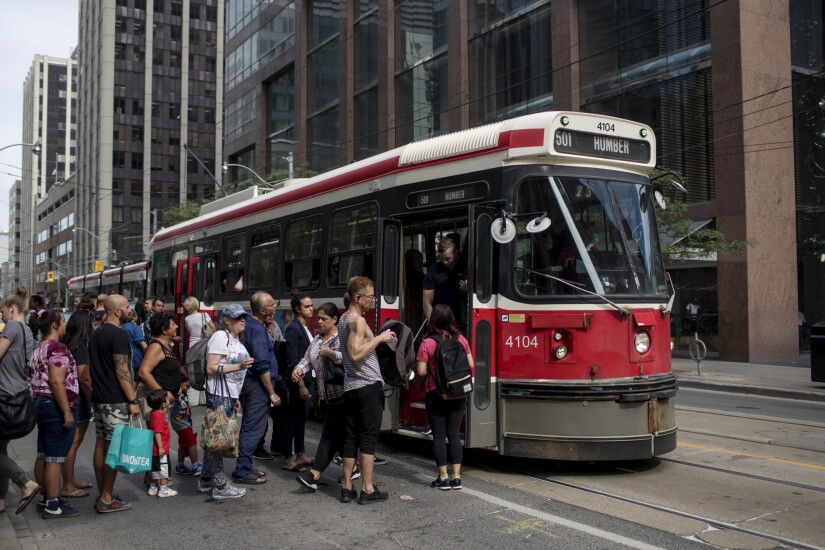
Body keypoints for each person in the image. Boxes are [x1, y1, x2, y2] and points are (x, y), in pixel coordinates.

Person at [339, 276, 395, 504]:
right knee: (368, 438)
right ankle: (368, 489)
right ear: (357, 297)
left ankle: (346, 488)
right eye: (370, 297)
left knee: (350, 437)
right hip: (367, 386)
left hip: (351, 386)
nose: (372, 300)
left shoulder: (344, 319)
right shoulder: (358, 321)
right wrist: (379, 338)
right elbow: (354, 353)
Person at [197, 304, 253, 500]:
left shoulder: (235, 339)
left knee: (216, 436)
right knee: (219, 439)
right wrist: (239, 366)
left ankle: (206, 479)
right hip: (218, 394)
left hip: (228, 395)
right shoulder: (221, 336)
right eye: (237, 317)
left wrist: (235, 397)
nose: (242, 320)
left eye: (243, 317)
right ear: (226, 321)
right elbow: (211, 368)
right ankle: (220, 485)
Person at [89, 294, 139, 514]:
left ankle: (103, 493)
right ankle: (107, 498)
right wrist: (133, 400)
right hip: (115, 399)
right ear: (117, 311)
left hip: (99, 397)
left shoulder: (97, 333)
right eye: (127, 307)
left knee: (101, 444)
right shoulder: (119, 334)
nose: (129, 310)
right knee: (115, 449)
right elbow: (122, 370)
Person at [415, 304, 474, 491]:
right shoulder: (461, 339)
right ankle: (457, 478)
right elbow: (471, 364)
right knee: (454, 435)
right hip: (458, 393)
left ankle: (443, 478)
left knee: (439, 437)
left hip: (436, 393)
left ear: (433, 320)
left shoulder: (427, 342)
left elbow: (421, 371)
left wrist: (433, 370)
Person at [29, 309, 80, 518]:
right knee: (55, 457)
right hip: (55, 405)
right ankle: (53, 503)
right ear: (55, 325)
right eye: (63, 321)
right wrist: (67, 411)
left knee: (44, 453)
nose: (66, 325)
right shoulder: (57, 348)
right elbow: (57, 381)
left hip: (40, 403)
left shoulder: (39, 348)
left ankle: (45, 497)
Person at [294, 302, 349, 491]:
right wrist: (299, 370)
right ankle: (353, 468)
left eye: (324, 319)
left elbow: (351, 359)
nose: (319, 322)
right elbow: (307, 359)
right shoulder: (317, 339)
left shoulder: (341, 338)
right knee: (338, 436)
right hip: (326, 397)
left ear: (334, 319)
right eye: (318, 318)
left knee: (329, 436)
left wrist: (331, 354)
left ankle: (314, 475)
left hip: (343, 395)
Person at [232, 292, 280, 485]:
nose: (275, 307)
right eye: (272, 304)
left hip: (250, 383)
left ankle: (245, 465)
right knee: (254, 428)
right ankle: (243, 471)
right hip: (257, 386)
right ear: (262, 310)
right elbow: (261, 364)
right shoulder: (257, 330)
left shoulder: (250, 324)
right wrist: (271, 392)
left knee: (249, 426)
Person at [0, 289, 41, 515]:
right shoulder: (26, 330)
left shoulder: (13, 326)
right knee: (0, 448)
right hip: (17, 394)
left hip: (4, 395)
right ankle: (1, 499)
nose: (2, 317)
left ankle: (25, 482)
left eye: (2, 312)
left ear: (11, 308)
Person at [59, 309, 95, 499]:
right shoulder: (81, 347)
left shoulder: (66, 343)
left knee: (71, 442)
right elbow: (83, 377)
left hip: (68, 395)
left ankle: (71, 479)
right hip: (78, 396)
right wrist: (93, 397)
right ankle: (68, 484)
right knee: (73, 442)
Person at [282, 291, 315, 472]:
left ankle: (300, 453)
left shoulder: (305, 327)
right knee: (292, 419)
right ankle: (288, 457)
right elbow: (293, 361)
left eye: (311, 305)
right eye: (307, 306)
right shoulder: (293, 329)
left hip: (308, 380)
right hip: (297, 382)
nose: (311, 309)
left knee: (301, 418)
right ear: (297, 309)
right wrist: (301, 385)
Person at [254, 300, 287, 459]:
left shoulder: (274, 326)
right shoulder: (257, 329)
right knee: (261, 414)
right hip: (262, 376)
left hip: (277, 374)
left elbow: (280, 342)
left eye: (274, 312)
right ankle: (257, 446)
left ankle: (276, 444)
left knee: (280, 411)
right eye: (270, 312)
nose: (272, 315)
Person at [137, 313, 182, 420]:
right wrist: (163, 393)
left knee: (162, 429)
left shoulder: (167, 346)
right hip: (156, 400)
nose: (176, 326)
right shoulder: (155, 346)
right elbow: (143, 372)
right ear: (164, 329)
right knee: (156, 429)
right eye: (173, 324)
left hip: (164, 401)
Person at [423, 237, 468, 334]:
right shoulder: (433, 271)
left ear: (456, 253)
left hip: (462, 322)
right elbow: (426, 302)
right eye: (441, 258)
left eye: (448, 258)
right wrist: (434, 327)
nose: (445, 262)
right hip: (441, 324)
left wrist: (468, 289)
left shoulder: (465, 267)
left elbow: (480, 294)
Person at [146, 389, 176, 498]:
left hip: (154, 450)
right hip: (160, 449)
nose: (169, 400)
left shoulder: (155, 413)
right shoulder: (159, 416)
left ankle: (153, 488)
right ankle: (163, 489)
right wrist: (161, 447)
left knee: (155, 469)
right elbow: (157, 432)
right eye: (167, 399)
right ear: (163, 404)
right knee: (164, 469)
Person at [171, 375, 201, 476]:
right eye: (186, 386)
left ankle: (180, 465)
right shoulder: (175, 393)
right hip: (180, 423)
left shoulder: (184, 392)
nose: (188, 388)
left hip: (185, 421)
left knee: (183, 443)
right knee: (192, 442)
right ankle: (195, 466)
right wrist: (177, 391)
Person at [122, 310, 147, 380]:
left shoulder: (121, 327)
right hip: (137, 360)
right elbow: (142, 344)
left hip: (126, 360)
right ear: (134, 317)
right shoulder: (135, 327)